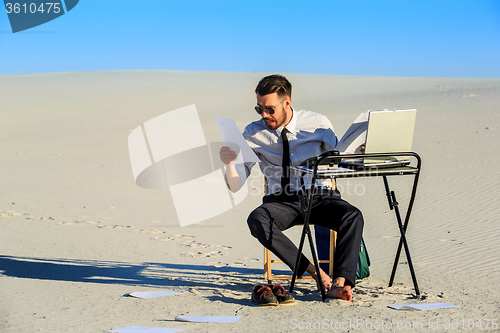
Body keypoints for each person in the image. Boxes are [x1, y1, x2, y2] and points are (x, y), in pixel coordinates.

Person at [219, 74, 364, 302]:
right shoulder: (253, 133)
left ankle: (340, 283)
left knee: (352, 215)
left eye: (270, 109)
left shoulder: (318, 123)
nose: (264, 115)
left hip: (320, 196)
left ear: (287, 102)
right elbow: (235, 185)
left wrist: (357, 155)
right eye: (260, 109)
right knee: (257, 220)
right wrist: (229, 163)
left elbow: (337, 159)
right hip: (282, 202)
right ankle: (316, 273)